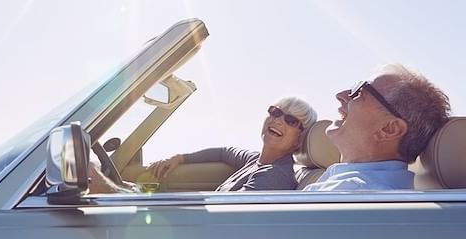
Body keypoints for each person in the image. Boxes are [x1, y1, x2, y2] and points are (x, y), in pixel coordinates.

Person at [303, 64, 450, 191]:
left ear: (389, 129)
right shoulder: (359, 189)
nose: (340, 95)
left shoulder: (350, 193)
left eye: (359, 91)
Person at [146, 96, 317, 191]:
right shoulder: (256, 160)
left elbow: (226, 216)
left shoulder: (274, 176)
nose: (278, 120)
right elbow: (223, 152)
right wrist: (180, 158)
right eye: (275, 112)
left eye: (291, 121)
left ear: (299, 141)